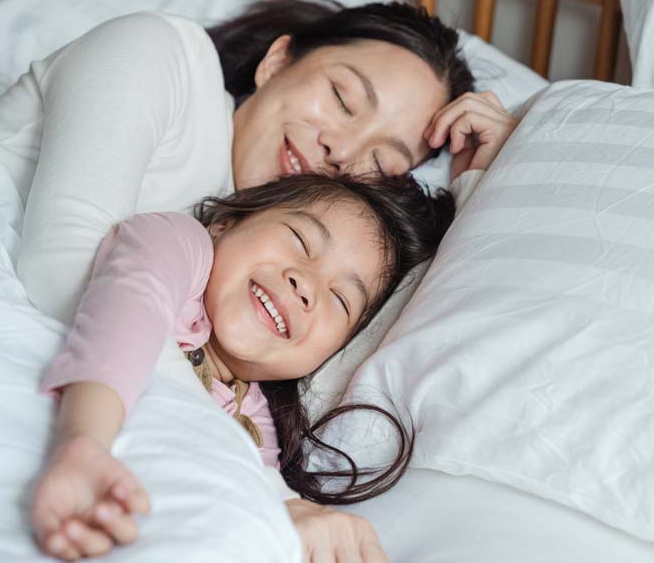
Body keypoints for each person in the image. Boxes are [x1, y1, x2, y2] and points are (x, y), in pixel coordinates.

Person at [0, 0, 519, 327]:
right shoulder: (161, 52)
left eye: (382, 161)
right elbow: (61, 267)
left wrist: (472, 184)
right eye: (344, 99)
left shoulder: (275, 252)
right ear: (277, 61)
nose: (343, 152)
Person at [31, 173, 455, 562]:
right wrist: (83, 443)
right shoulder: (179, 245)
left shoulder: (258, 428)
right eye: (300, 240)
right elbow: (130, 307)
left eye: (341, 300)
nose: (305, 285)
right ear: (226, 223)